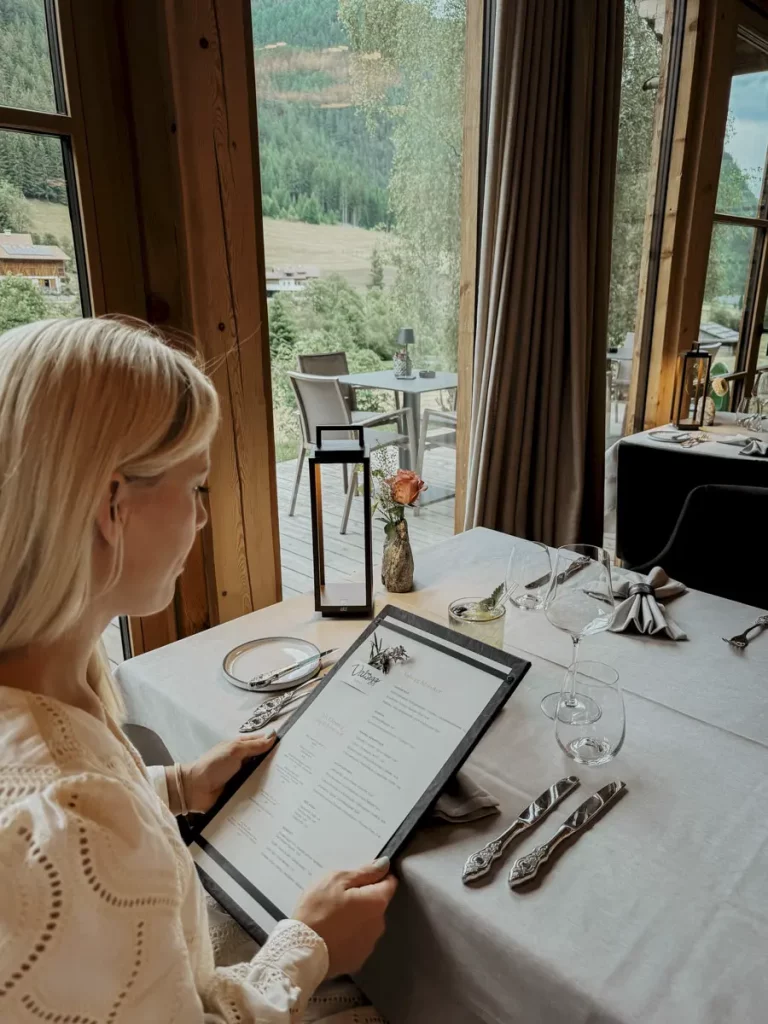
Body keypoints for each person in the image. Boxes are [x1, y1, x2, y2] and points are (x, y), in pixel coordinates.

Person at [0, 318, 397, 1022]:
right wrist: (310, 946)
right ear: (112, 507)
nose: (204, 518)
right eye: (197, 488)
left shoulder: (45, 686)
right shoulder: (65, 830)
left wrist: (177, 786)